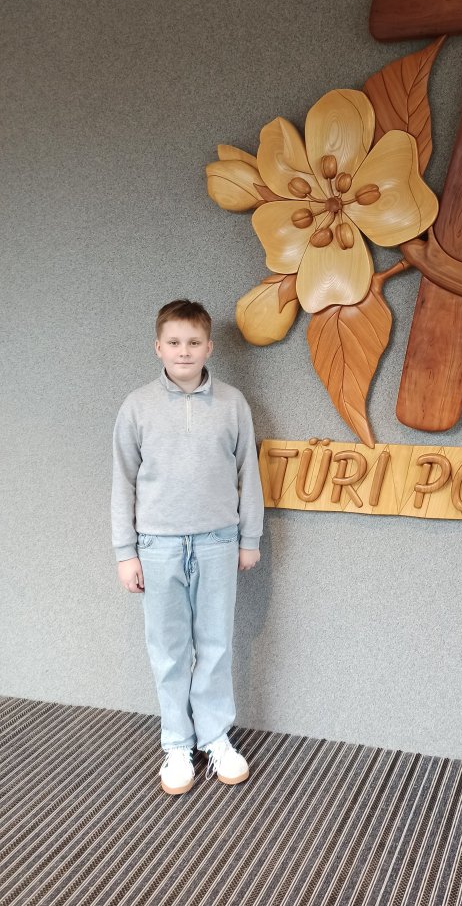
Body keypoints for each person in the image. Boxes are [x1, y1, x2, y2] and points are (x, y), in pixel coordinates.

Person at [111, 299, 264, 795]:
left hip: (219, 542)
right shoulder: (136, 407)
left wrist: (249, 538)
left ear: (209, 347)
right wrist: (126, 552)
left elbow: (249, 474)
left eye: (193, 342)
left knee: (216, 645)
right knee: (169, 649)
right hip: (157, 547)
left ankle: (215, 736)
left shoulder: (233, 404)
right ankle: (177, 743)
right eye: (174, 342)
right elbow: (123, 483)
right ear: (158, 347)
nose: (184, 351)